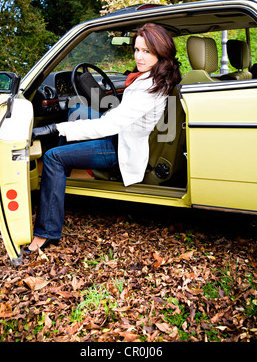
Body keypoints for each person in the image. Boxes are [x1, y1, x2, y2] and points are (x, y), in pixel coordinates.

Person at [25, 23, 181, 253]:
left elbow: (108, 126)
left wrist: (54, 129)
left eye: (147, 51)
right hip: (124, 132)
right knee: (76, 109)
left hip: (120, 147)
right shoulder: (155, 76)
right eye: (137, 49)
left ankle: (46, 233)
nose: (139, 56)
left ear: (161, 52)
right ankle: (58, 182)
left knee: (52, 158)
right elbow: (122, 114)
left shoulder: (148, 88)